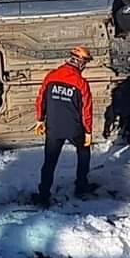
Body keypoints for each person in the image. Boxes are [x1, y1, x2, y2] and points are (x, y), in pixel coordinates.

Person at [32, 45, 97, 207]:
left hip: (53, 128)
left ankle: (43, 194)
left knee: (49, 162)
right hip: (74, 129)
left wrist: (40, 119)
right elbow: (86, 110)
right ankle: (81, 186)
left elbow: (41, 99)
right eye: (85, 63)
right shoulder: (81, 83)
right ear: (80, 62)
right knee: (84, 153)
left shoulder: (51, 76)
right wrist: (88, 131)